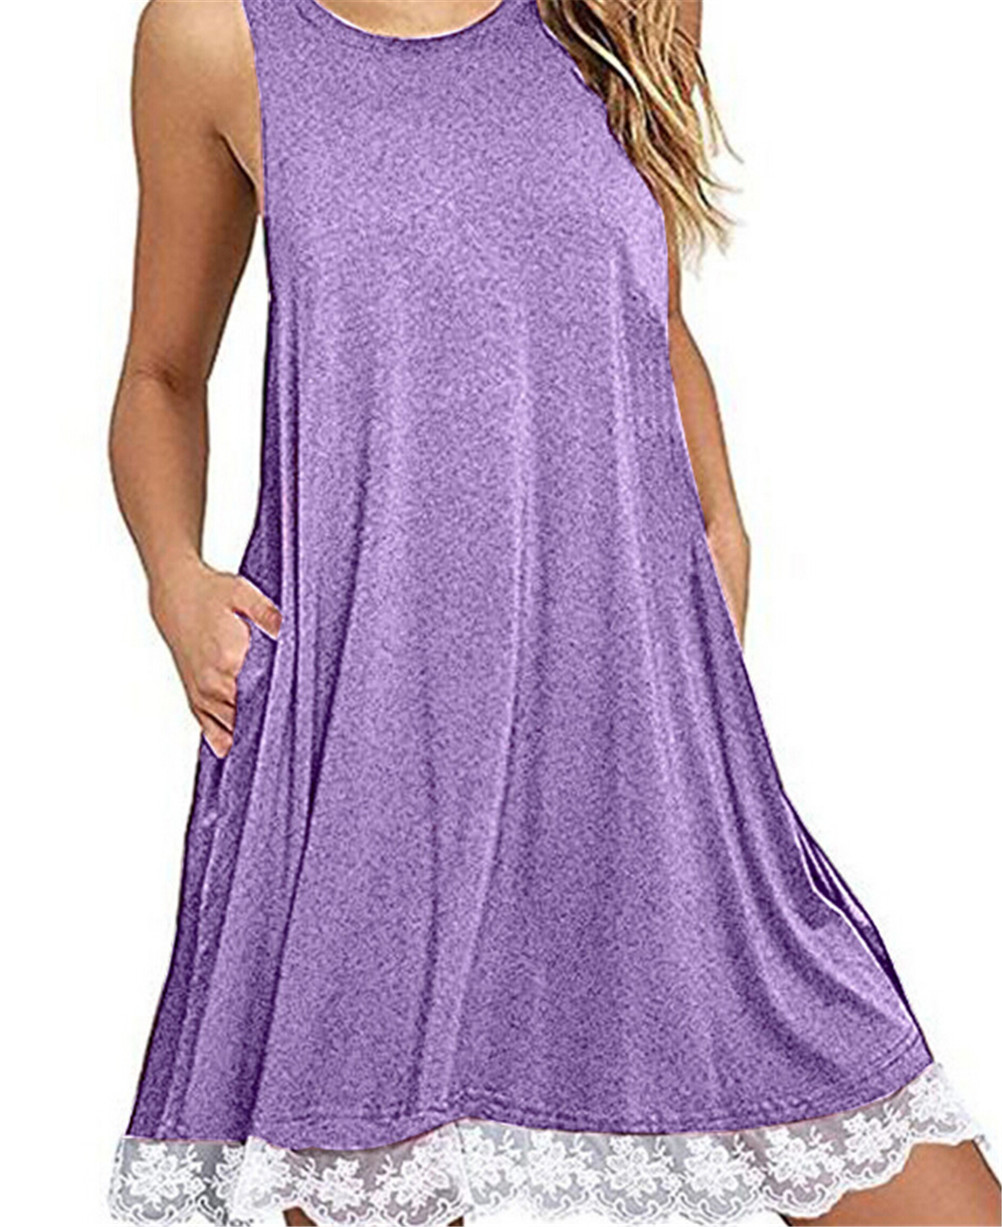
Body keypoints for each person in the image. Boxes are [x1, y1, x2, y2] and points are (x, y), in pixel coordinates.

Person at [106, 1, 999, 1224]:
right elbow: (159, 373)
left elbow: (652, 314)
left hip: (620, 702)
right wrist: (175, 578)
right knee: (362, 1159)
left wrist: (722, 528)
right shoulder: (216, 37)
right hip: (372, 715)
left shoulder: (620, 16)